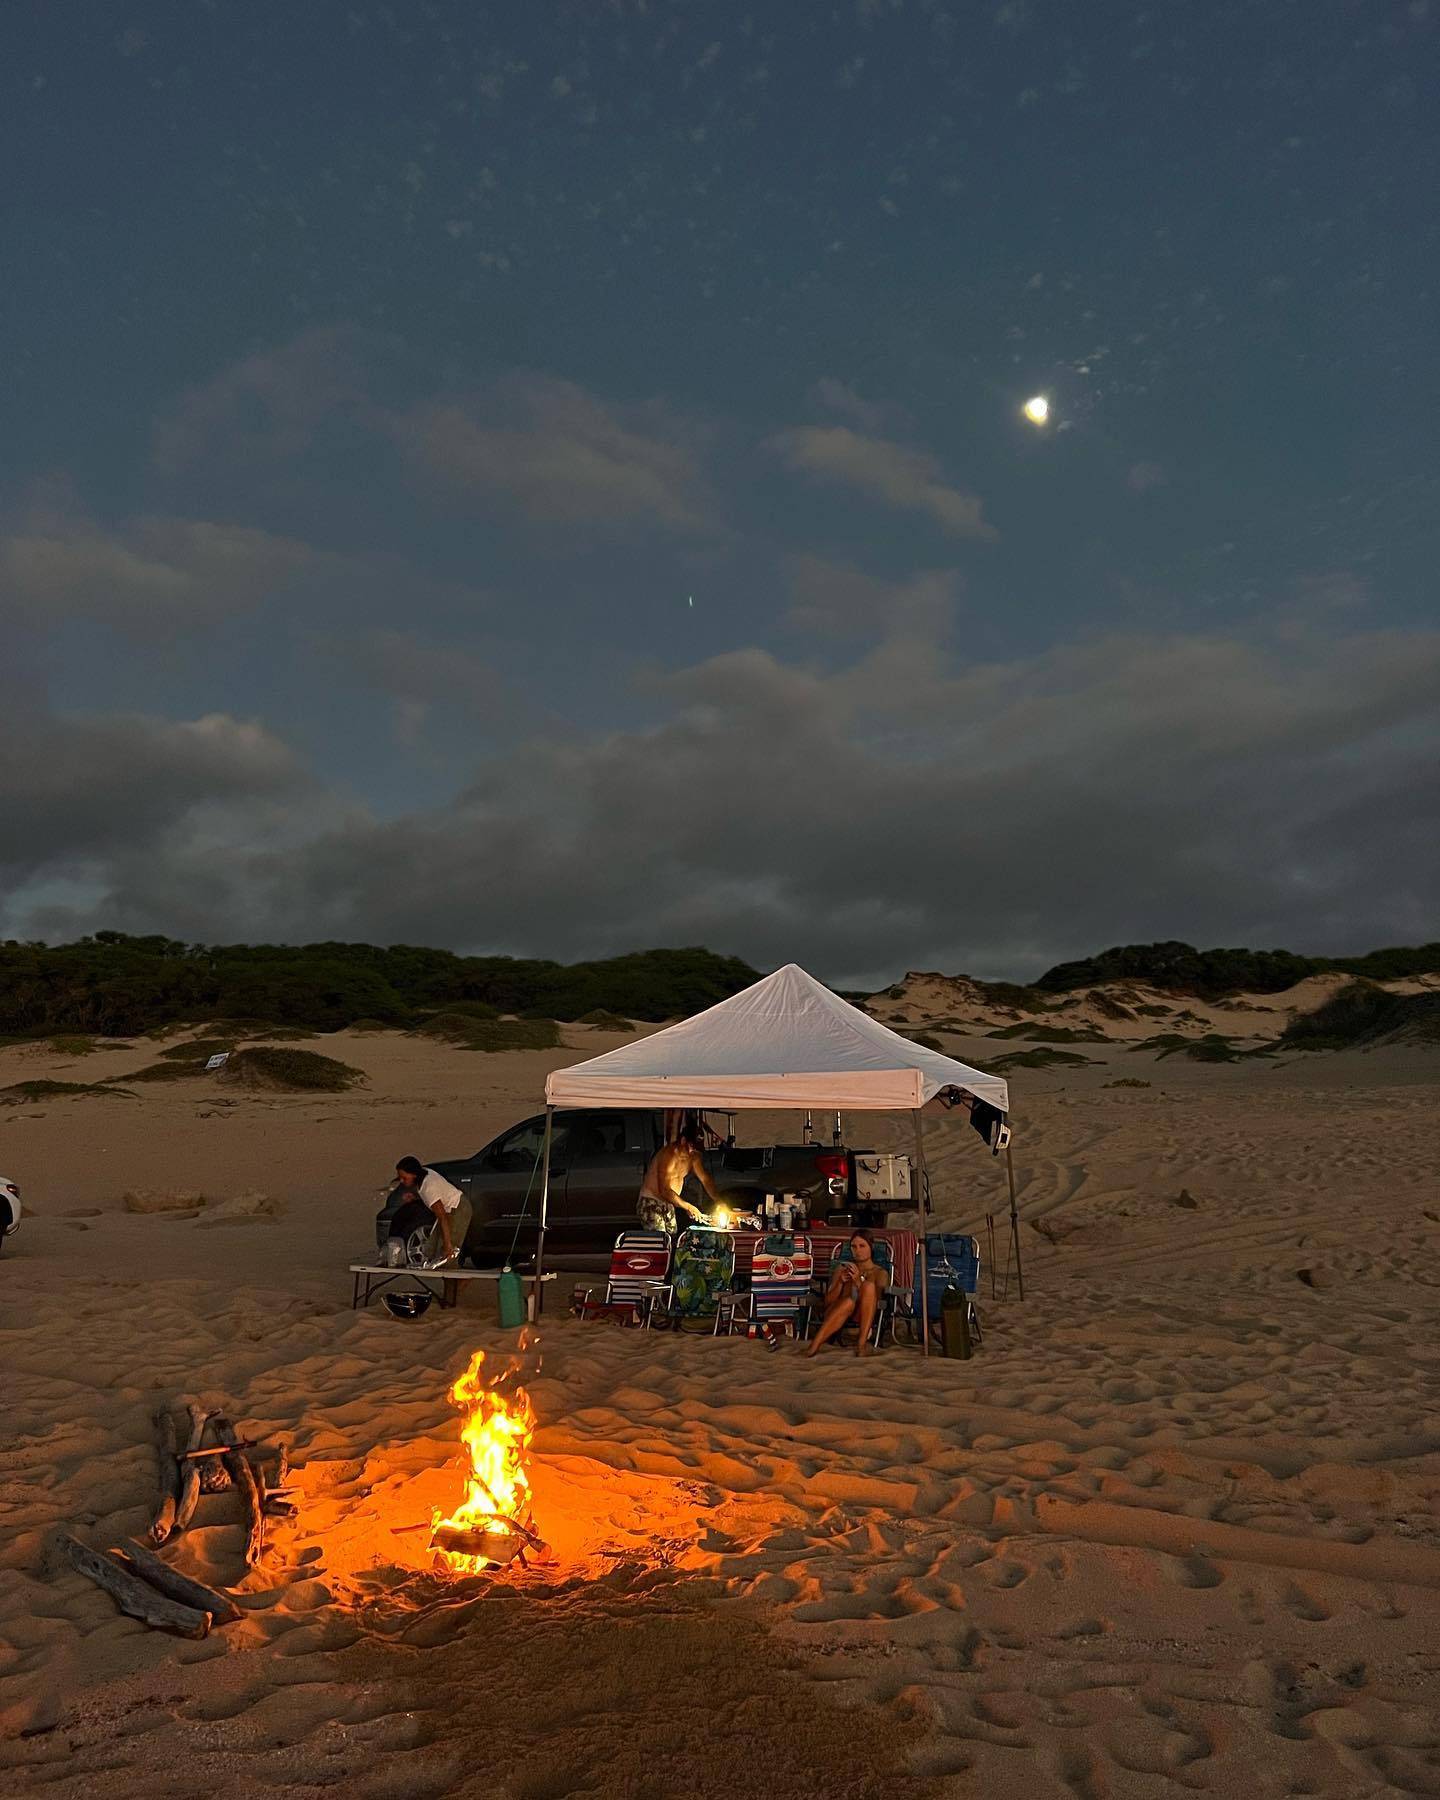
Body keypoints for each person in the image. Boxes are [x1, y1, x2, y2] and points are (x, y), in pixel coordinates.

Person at [805, 1229, 889, 1357]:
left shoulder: (880, 1273)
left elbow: (876, 1301)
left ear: (871, 1247)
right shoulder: (842, 1269)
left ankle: (861, 1344)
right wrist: (839, 1282)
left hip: (862, 1314)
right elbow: (828, 1301)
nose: (858, 1250)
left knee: (868, 1286)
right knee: (848, 1301)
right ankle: (814, 1345)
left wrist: (857, 1281)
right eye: (853, 1246)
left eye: (862, 1246)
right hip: (836, 1312)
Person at [637, 1118, 728, 1233]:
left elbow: (705, 1179)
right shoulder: (668, 1155)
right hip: (651, 1202)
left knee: (673, 1240)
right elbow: (664, 1190)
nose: (693, 1151)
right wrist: (688, 1206)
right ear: (683, 1140)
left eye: (696, 1148)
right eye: (691, 1147)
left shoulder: (694, 1157)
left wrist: (718, 1200)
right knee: (660, 1241)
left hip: (669, 1203)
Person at [389, 1155, 470, 1268]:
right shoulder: (423, 1176)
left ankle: (459, 1281)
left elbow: (442, 1217)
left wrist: (447, 1243)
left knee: (447, 1256)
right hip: (449, 1210)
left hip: (457, 1209)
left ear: (414, 1175)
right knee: (430, 1250)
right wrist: (415, 1197)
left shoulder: (428, 1187)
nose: (401, 1181)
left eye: (404, 1178)